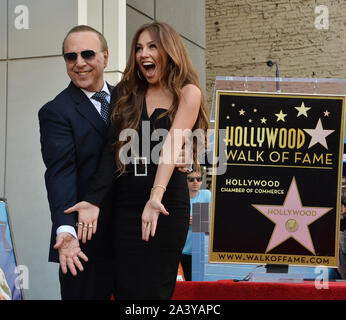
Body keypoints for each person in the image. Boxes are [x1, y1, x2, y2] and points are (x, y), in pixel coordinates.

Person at [65, 21, 209, 300]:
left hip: (166, 205)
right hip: (124, 207)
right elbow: (112, 151)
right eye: (139, 48)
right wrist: (94, 199)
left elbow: (172, 146)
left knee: (153, 289)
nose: (144, 54)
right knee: (125, 288)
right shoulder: (126, 93)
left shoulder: (188, 92)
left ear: (170, 50)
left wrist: (155, 197)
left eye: (153, 46)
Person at [38, 25, 116, 300]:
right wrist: (65, 229)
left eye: (87, 54)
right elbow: (60, 174)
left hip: (132, 241)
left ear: (105, 56)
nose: (79, 63)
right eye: (71, 57)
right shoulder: (56, 111)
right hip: (83, 246)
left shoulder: (130, 101)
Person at [181, 166, 211, 281]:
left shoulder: (206, 195)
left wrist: (200, 221)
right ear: (185, 180)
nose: (195, 182)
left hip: (197, 251)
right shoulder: (179, 199)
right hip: (180, 250)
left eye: (198, 179)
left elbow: (216, 223)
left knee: (195, 286)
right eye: (191, 179)